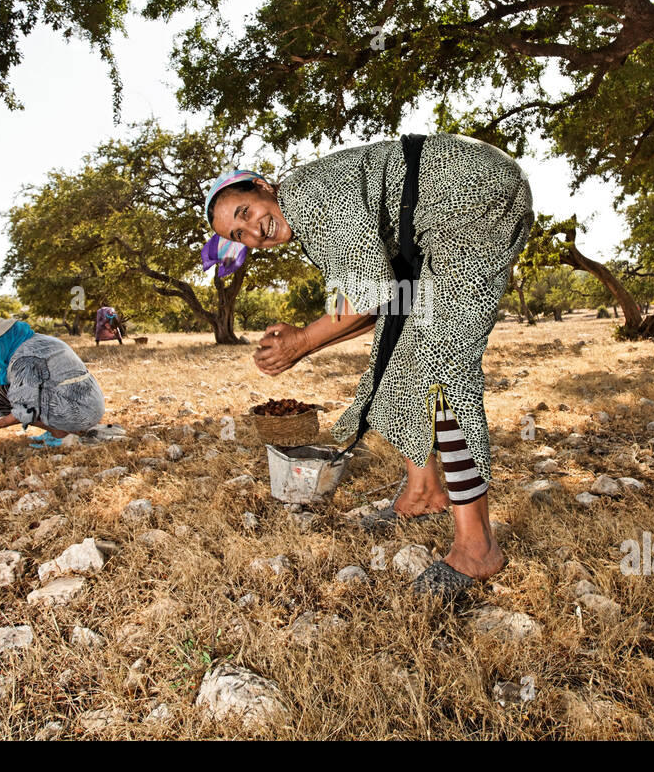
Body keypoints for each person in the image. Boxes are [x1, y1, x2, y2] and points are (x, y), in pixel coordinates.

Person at [204, 133, 534, 599]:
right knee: (398, 345)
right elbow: (385, 302)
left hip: (475, 199)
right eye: (239, 235)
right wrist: (304, 343)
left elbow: (368, 293)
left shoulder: (304, 193)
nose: (254, 231)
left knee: (444, 362)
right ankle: (423, 493)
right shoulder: (309, 214)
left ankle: (477, 549)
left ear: (262, 187)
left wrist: (302, 340)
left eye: (245, 213)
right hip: (460, 210)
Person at [0, 309, 105, 449]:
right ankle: (63, 428)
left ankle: (61, 433)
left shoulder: (23, 359)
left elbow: (24, 410)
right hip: (89, 406)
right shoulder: (36, 340)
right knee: (6, 394)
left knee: (8, 396)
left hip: (79, 414)